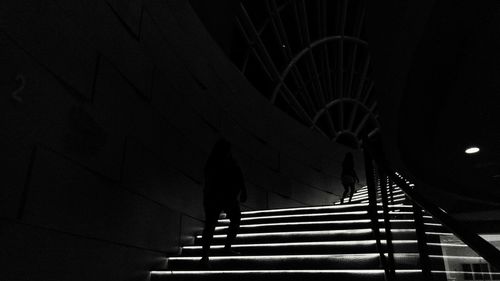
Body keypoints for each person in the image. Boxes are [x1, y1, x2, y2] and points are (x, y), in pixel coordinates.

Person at [200, 139, 247, 267]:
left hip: (222, 198)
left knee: (212, 225)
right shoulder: (224, 161)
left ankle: (206, 256)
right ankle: (208, 255)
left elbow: (238, 175)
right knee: (212, 225)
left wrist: (242, 191)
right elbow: (238, 175)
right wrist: (242, 191)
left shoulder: (217, 161)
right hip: (220, 197)